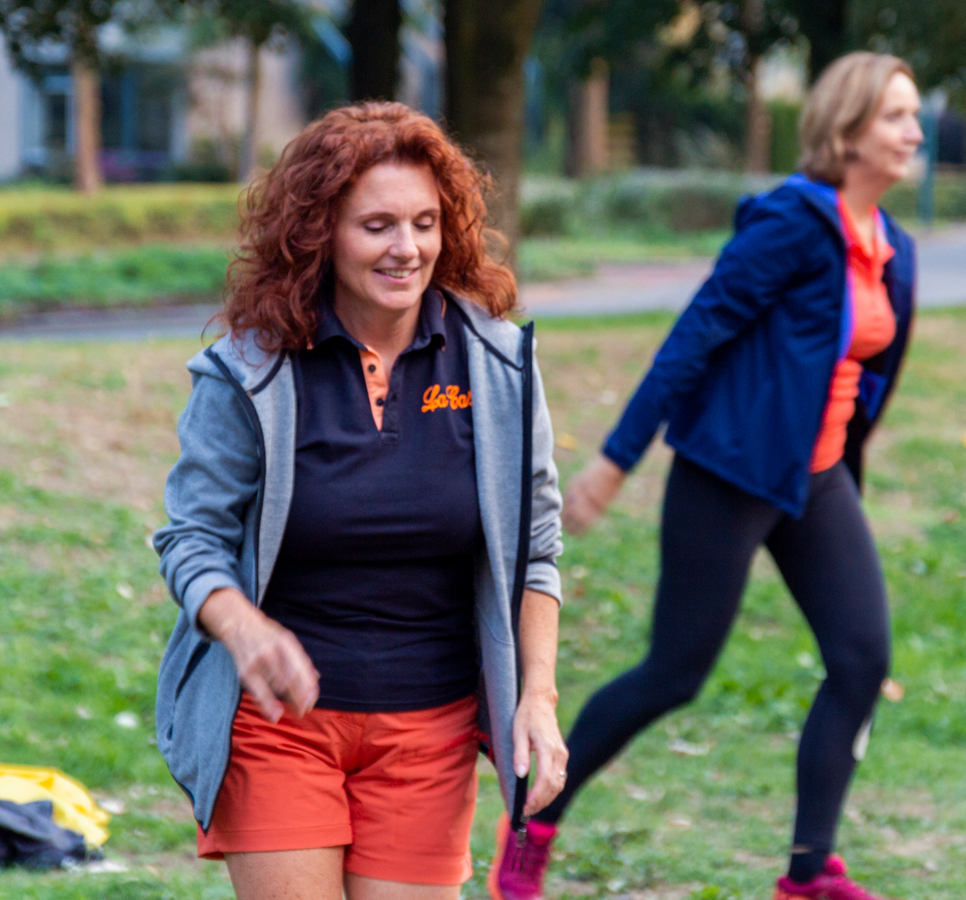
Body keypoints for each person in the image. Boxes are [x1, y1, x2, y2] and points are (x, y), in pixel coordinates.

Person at [487, 53, 921, 900]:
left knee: (862, 660)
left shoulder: (892, 248)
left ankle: (808, 872)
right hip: (730, 471)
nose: (913, 132)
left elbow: (866, 382)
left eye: (913, 116)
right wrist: (616, 460)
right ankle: (534, 818)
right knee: (673, 673)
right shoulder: (796, 223)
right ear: (846, 129)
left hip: (816, 478)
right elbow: (698, 332)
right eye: (895, 116)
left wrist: (849, 491)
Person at [153, 101, 568, 900]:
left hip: (431, 731)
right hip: (278, 725)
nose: (406, 248)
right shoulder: (252, 371)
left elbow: (536, 551)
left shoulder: (499, 368)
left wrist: (537, 699)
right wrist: (243, 628)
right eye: (377, 226)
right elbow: (191, 539)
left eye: (424, 223)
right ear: (320, 234)